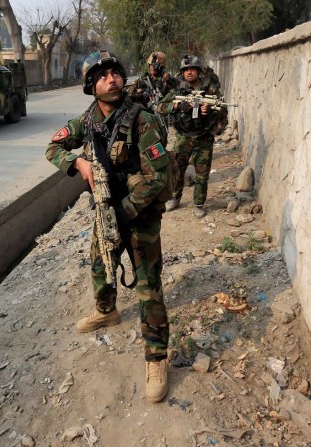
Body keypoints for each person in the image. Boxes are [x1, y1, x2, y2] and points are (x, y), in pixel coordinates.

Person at [45, 50, 172, 402]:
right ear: (92, 85)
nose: (111, 79)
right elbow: (52, 147)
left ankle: (156, 356)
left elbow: (158, 177)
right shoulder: (86, 122)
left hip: (140, 215)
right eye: (102, 76)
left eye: (115, 72)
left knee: (148, 284)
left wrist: (126, 210)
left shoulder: (141, 120)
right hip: (106, 212)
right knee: (100, 264)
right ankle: (106, 311)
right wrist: (78, 165)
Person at [159, 55, 228, 217]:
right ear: (182, 73)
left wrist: (210, 110)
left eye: (192, 69)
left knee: (202, 173)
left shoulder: (210, 89)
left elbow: (223, 108)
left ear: (198, 71)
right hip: (183, 136)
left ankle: (198, 204)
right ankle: (175, 198)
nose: (189, 73)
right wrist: (177, 106)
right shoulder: (178, 90)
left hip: (204, 137)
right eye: (185, 70)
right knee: (177, 169)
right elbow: (160, 107)